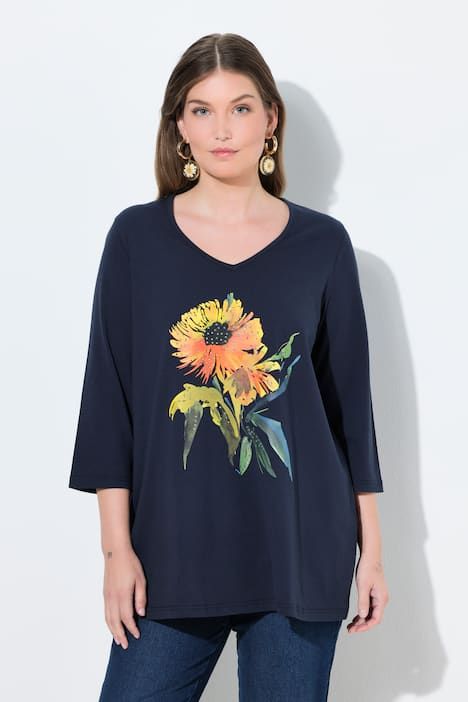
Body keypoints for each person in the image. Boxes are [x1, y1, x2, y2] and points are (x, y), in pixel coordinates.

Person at [68, 32, 389, 701]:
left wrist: (375, 556)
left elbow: (349, 411)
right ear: (179, 126)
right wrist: (115, 552)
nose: (222, 129)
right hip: (169, 556)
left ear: (270, 120)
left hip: (300, 552)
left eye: (241, 108)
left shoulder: (323, 244)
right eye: (202, 109)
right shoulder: (135, 239)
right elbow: (109, 405)